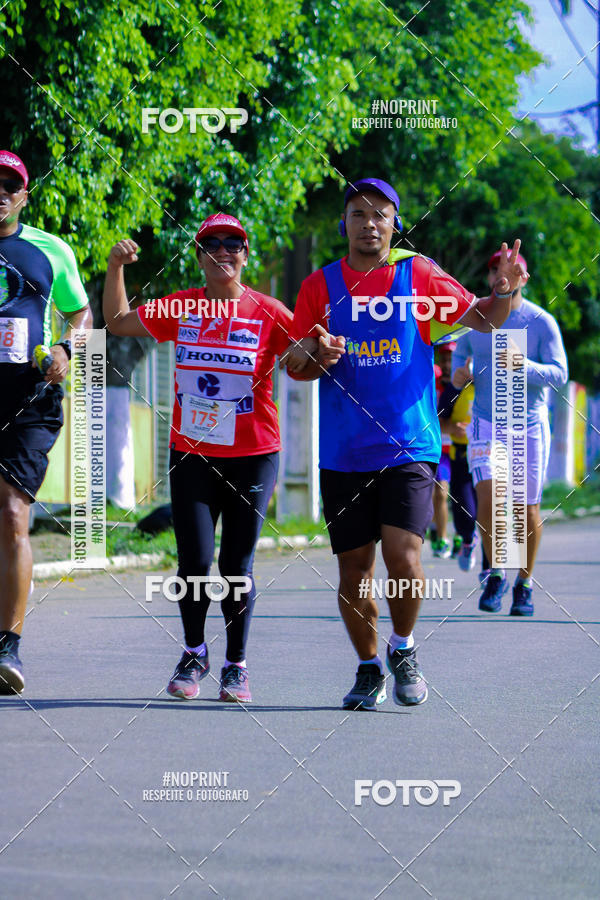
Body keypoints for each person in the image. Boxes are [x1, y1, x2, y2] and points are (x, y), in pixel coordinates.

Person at [286, 177, 527, 710]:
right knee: (354, 569)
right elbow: (294, 363)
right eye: (358, 214)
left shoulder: (416, 274)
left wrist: (507, 290)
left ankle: (404, 646)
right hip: (345, 452)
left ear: (395, 222)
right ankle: (369, 666)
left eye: (380, 215)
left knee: (404, 557)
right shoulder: (319, 286)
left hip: (408, 446)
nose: (369, 224)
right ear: (343, 224)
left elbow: (483, 317)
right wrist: (316, 356)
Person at [103, 213, 292, 702]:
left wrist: (326, 347)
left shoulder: (268, 310)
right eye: (212, 245)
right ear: (199, 256)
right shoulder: (182, 306)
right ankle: (193, 654)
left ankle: (236, 664)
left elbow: (305, 355)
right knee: (194, 561)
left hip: (254, 453)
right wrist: (115, 267)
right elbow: (119, 322)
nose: (223, 252)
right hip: (192, 452)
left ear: (246, 256)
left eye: (234, 244)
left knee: (236, 564)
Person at [0, 150, 92, 694]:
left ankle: (8, 645)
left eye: (10, 185)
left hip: (29, 399)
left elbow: (81, 314)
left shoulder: (48, 249)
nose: (1, 192)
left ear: (24, 195)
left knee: (13, 512)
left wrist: (64, 347)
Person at [452, 249, 568, 615]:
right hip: (485, 421)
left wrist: (524, 365)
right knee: (488, 496)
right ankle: (497, 571)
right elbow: (459, 353)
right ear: (490, 277)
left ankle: (524, 583)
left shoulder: (541, 322)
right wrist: (459, 372)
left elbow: (559, 374)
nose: (503, 273)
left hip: (529, 424)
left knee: (525, 509)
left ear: (524, 278)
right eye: (496, 269)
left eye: (512, 269)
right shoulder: (478, 318)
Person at [437, 370, 490, 575]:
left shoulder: (499, 387)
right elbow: (439, 421)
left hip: (490, 456)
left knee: (490, 513)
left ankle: (490, 569)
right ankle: (467, 540)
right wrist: (452, 427)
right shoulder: (455, 387)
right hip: (462, 457)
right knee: (466, 514)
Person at [431, 343, 456, 559]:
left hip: (461, 448)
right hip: (438, 448)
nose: (448, 364)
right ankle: (441, 538)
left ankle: (465, 536)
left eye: (452, 359)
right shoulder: (432, 377)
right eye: (444, 358)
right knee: (440, 492)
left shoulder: (468, 381)